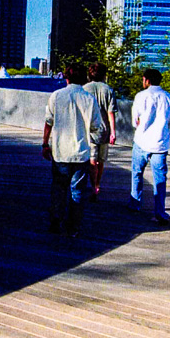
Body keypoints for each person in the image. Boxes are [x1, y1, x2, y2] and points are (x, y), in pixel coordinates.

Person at [42, 63, 105, 236]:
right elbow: (96, 126)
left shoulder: (56, 96)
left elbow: (49, 122)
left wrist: (45, 144)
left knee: (58, 189)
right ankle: (73, 228)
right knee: (77, 192)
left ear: (67, 78)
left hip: (60, 151)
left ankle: (56, 222)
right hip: (81, 153)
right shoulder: (89, 99)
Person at [129, 67, 170, 225]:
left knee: (137, 173)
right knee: (160, 179)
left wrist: (140, 124)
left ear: (147, 80)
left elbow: (135, 120)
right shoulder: (167, 96)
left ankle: (135, 203)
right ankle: (160, 211)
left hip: (142, 140)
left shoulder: (141, 96)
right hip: (160, 143)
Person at [83, 63, 117, 200]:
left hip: (88, 130)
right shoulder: (108, 90)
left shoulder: (84, 89)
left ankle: (93, 186)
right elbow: (111, 113)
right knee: (101, 160)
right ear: (104, 75)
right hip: (104, 130)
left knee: (92, 159)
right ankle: (97, 183)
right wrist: (113, 132)